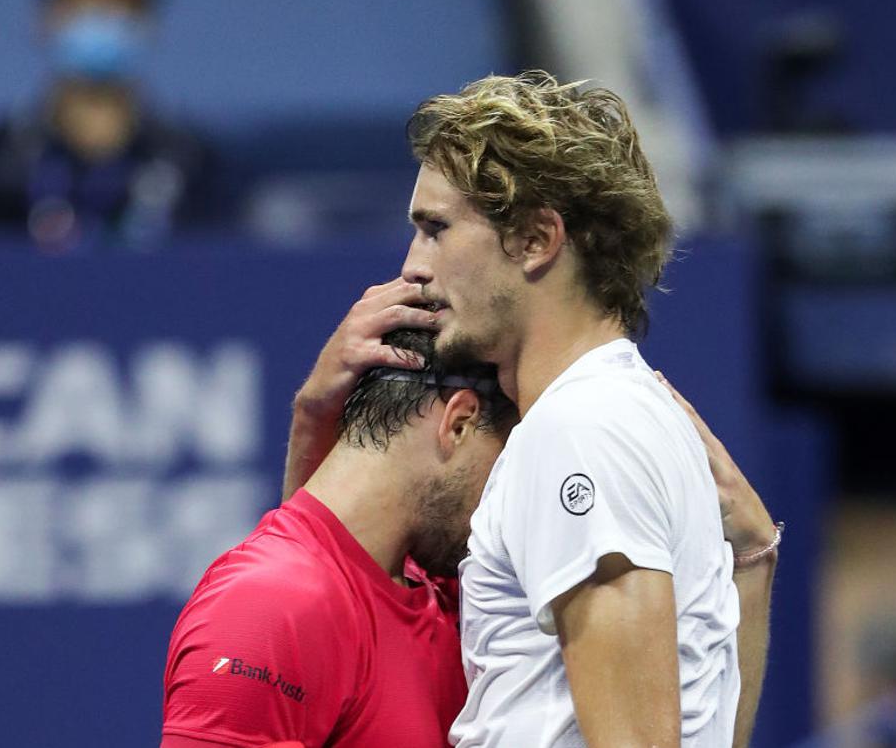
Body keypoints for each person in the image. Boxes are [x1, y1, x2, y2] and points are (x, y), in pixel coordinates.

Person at [389, 71, 777, 746]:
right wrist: (753, 561)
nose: (412, 267)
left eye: (436, 229)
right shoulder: (606, 415)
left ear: (538, 240)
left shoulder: (580, 430)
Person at [161, 328, 517, 747]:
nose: (504, 496)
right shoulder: (268, 605)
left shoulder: (444, 593)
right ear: (458, 423)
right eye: (505, 459)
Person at [0, 0, 216, 252]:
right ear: (44, 19)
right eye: (81, 5)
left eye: (116, 6)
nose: (99, 20)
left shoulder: (194, 163)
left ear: (148, 23)